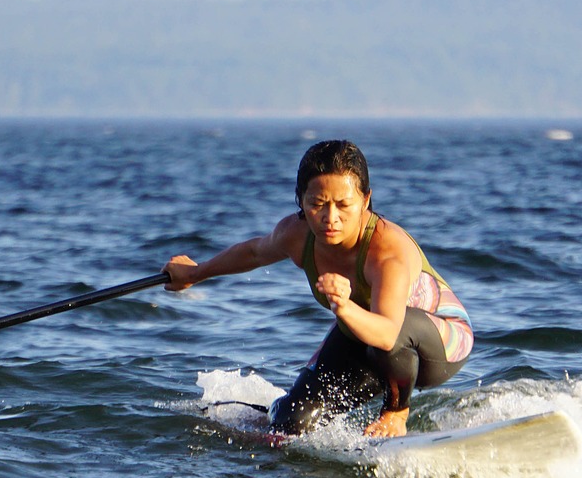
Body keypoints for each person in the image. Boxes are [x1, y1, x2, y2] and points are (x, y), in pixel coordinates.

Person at [162, 140, 473, 438]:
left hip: (437, 344)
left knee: (391, 330)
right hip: (363, 337)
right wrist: (195, 273)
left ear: (365, 200)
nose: (330, 218)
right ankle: (267, 410)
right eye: (317, 204)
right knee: (291, 423)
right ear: (301, 200)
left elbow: (389, 334)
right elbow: (254, 252)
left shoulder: (386, 250)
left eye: (343, 205)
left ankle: (396, 415)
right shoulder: (296, 235)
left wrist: (345, 306)